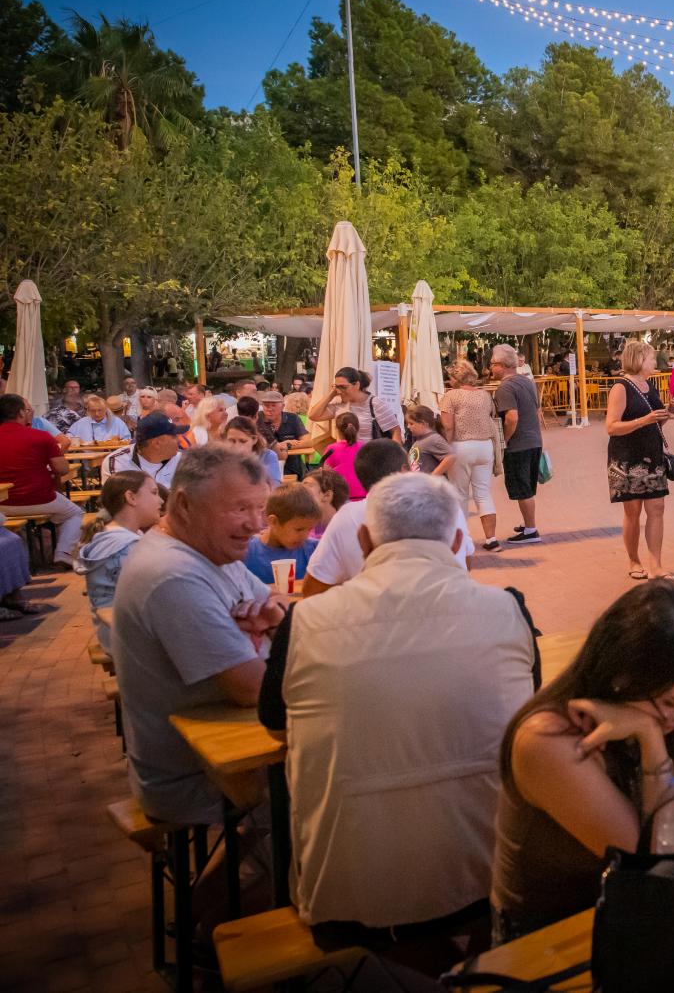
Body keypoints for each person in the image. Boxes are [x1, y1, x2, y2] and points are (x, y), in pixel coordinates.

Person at [259, 474, 536, 938]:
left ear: (365, 540)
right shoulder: (509, 610)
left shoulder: (305, 621)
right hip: (488, 876)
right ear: (456, 540)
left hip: (348, 895)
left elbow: (275, 726)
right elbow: (528, 719)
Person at [492, 580, 674, 943]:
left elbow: (668, 836)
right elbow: (649, 861)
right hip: (546, 941)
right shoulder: (547, 740)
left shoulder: (649, 713)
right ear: (623, 679)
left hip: (628, 918)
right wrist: (650, 739)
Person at [110, 445, 283, 824]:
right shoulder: (172, 574)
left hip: (231, 756)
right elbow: (252, 689)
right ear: (185, 505)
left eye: (260, 508)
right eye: (240, 508)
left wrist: (274, 624)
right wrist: (276, 635)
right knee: (342, 779)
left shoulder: (214, 551)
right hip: (196, 777)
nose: (256, 525)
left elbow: (277, 610)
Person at [302, 440, 473, 595]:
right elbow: (466, 563)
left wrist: (354, 591)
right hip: (450, 610)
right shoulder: (447, 504)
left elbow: (313, 589)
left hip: (373, 616)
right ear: (404, 470)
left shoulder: (347, 517)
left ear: (366, 540)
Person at [605, 340, 672, 580]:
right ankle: (634, 560)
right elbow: (611, 426)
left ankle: (656, 565)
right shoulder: (621, 387)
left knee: (657, 507)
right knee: (632, 510)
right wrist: (645, 420)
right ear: (639, 359)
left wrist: (667, 414)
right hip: (627, 458)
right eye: (652, 358)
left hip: (652, 454)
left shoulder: (649, 385)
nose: (655, 362)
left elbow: (656, 420)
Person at [0, 394, 80, 571]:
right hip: (40, 499)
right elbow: (63, 470)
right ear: (21, 413)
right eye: (27, 410)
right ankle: (63, 553)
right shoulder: (41, 437)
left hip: (2, 503)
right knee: (75, 513)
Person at [77, 469, 163, 620]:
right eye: (154, 493)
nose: (160, 501)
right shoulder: (124, 548)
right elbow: (107, 608)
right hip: (128, 639)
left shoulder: (122, 538)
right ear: (131, 497)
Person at [439, 360, 500, 550]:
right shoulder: (484, 395)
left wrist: (444, 449)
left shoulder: (451, 396)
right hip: (485, 446)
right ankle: (492, 539)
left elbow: (448, 426)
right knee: (483, 493)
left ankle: (463, 539)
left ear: (455, 378)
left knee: (459, 494)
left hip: (461, 446)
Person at [488, 344, 543, 546]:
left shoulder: (505, 387)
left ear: (502, 365)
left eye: (493, 364)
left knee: (522, 489)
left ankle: (531, 530)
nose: (490, 368)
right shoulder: (527, 382)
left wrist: (505, 441)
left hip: (519, 444)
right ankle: (529, 523)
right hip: (533, 440)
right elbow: (537, 412)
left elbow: (511, 417)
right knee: (527, 487)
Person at [243, 483, 321, 587]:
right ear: (273, 521)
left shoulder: (314, 550)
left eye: (309, 529)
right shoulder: (246, 554)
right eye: (299, 529)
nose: (305, 536)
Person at [308, 366, 401, 443]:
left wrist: (395, 456)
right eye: (337, 386)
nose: (339, 391)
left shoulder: (375, 404)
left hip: (370, 459)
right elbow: (313, 415)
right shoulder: (338, 403)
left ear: (357, 385)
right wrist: (332, 393)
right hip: (345, 459)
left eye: (343, 387)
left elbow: (395, 431)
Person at [256, 390, 310, 479]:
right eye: (266, 405)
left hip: (293, 467)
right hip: (265, 468)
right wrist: (279, 445)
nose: (270, 409)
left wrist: (287, 445)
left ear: (283, 406)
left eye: (273, 405)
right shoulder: (257, 418)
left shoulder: (292, 418)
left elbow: (308, 441)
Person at [220, 415, 283, 487]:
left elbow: (273, 487)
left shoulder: (267, 456)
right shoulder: (221, 459)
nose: (236, 446)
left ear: (254, 439)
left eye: (243, 441)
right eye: (231, 441)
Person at [320, 413, 366, 500]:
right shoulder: (365, 447)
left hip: (340, 498)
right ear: (358, 428)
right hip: (365, 496)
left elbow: (325, 472)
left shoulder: (331, 449)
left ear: (337, 430)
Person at [405, 405, 455, 479]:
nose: (408, 427)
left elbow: (451, 457)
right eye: (407, 424)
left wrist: (432, 476)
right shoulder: (419, 439)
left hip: (432, 487)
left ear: (423, 424)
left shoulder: (433, 439)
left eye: (411, 423)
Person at [304, 467, 348, 538]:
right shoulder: (305, 530)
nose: (298, 491)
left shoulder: (347, 528)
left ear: (327, 495)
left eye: (306, 487)